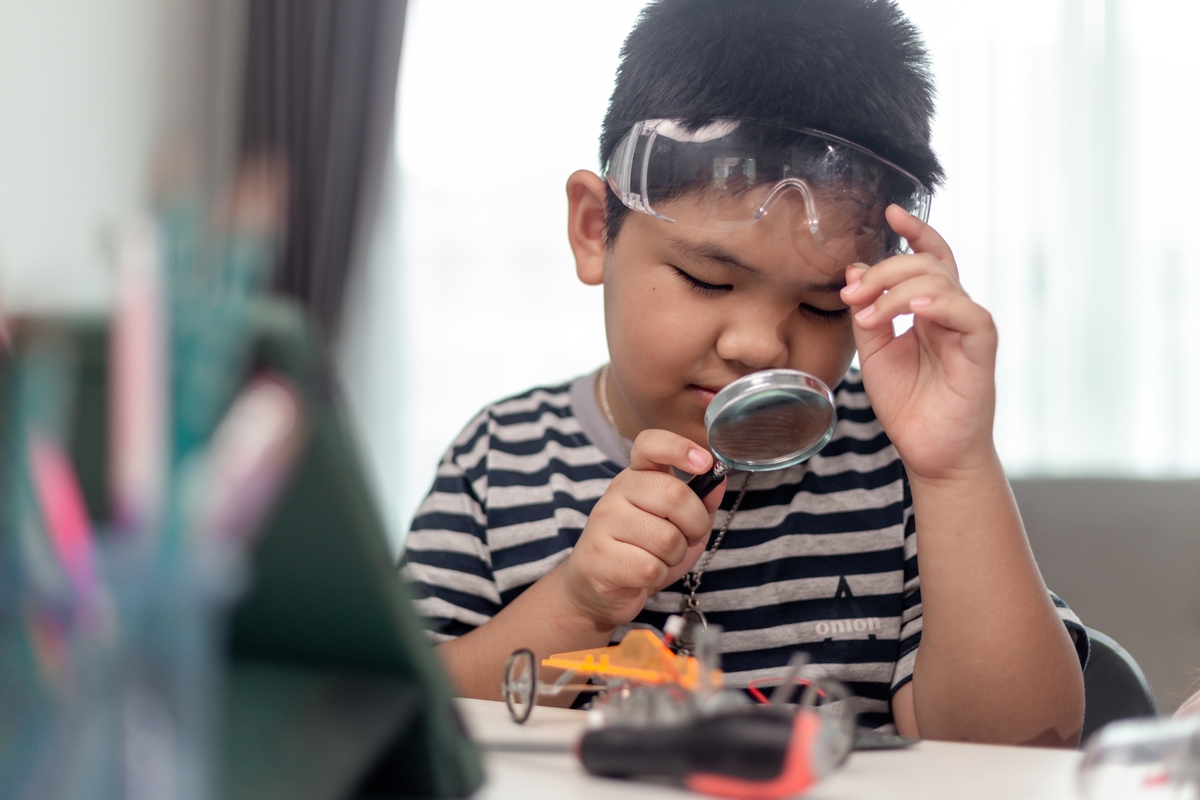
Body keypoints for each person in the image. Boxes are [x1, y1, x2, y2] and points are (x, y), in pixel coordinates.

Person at [401, 0, 1088, 745]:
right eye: (709, 280)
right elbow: (402, 721)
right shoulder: (499, 462)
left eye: (825, 307)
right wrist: (578, 603)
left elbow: (1024, 749)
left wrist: (954, 468)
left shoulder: (899, 468)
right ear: (596, 230)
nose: (760, 347)